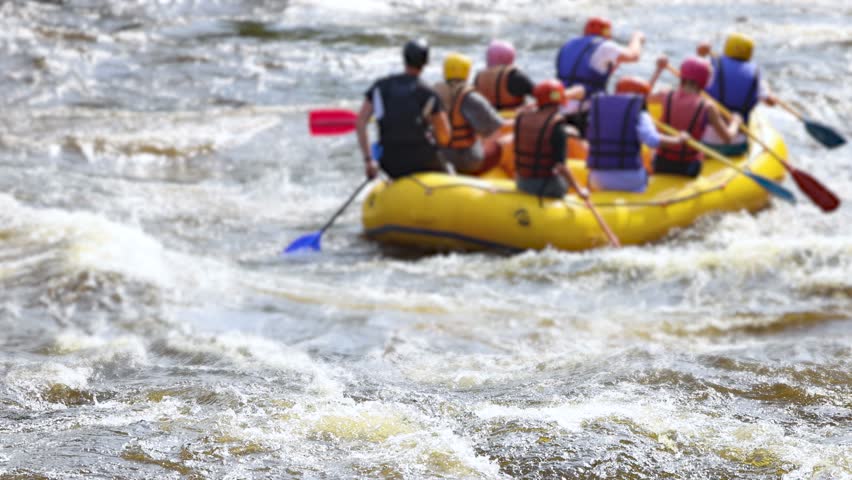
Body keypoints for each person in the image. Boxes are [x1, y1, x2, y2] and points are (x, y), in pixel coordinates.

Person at [356, 38, 451, 179]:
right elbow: (445, 137)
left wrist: (369, 160)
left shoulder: (380, 87)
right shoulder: (428, 93)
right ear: (425, 63)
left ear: (404, 59)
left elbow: (360, 122)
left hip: (389, 163)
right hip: (422, 161)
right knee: (449, 169)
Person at [586, 76, 688, 192]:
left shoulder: (599, 110)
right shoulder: (641, 115)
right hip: (630, 180)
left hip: (598, 178)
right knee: (648, 165)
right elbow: (653, 141)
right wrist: (679, 139)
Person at [649, 56, 743, 177]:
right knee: (700, 154)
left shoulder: (665, 94)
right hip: (688, 167)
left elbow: (642, 96)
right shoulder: (708, 106)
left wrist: (658, 70)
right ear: (704, 80)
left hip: (660, 164)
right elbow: (728, 138)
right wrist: (735, 122)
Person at [555, 16, 645, 135]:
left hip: (559, 107)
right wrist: (637, 38)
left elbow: (586, 72)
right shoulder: (605, 46)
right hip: (584, 110)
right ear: (607, 33)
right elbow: (633, 56)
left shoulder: (568, 45)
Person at [697, 32, 779, 155]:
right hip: (736, 144)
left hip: (705, 139)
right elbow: (770, 102)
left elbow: (692, 78)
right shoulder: (756, 75)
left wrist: (701, 53)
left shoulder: (713, 66)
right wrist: (771, 94)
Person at [433, 52, 507, 174]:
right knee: (503, 144)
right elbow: (495, 128)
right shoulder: (470, 97)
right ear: (466, 71)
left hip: (439, 156)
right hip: (466, 159)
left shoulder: (433, 92)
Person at [513, 79, 584, 198]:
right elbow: (561, 166)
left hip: (521, 182)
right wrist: (579, 190)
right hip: (545, 187)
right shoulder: (557, 125)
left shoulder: (522, 118)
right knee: (564, 183)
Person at [473, 40, 535, 111]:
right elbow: (541, 94)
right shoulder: (515, 76)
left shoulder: (478, 77)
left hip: (485, 119)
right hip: (513, 118)